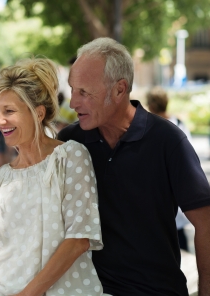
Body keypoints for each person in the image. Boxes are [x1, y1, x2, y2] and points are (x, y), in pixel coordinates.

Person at [58, 37, 210, 295]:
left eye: (84, 92)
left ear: (120, 89)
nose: (73, 103)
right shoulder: (69, 142)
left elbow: (206, 223)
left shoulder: (168, 141)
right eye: (73, 90)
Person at [0, 58, 103, 295]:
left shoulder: (70, 157)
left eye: (9, 111)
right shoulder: (1, 179)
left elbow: (79, 239)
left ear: (38, 113)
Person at [146, 86, 193, 251]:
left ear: (151, 105)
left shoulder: (150, 129)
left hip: (160, 201)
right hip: (179, 199)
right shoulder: (179, 123)